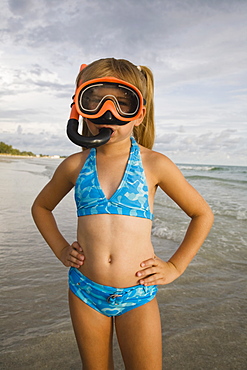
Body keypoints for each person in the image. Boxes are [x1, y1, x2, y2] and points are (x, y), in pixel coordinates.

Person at [31, 58, 214, 370]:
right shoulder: (74, 165)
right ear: (78, 109)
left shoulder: (155, 165)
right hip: (85, 291)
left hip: (138, 295)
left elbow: (201, 214)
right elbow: (41, 207)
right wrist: (61, 249)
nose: (108, 113)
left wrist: (175, 266)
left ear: (139, 113)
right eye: (94, 100)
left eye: (123, 103)